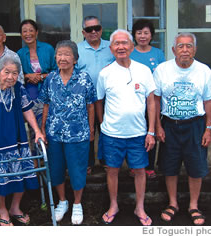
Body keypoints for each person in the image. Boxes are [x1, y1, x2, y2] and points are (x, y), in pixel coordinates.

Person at [153, 32, 211, 226]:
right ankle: (173, 203)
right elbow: (156, 100)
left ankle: (193, 205)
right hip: (170, 125)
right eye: (180, 46)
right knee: (169, 166)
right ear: (174, 50)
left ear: (195, 49)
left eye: (189, 46)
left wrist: (208, 128)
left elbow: (209, 101)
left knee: (196, 167)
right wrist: (158, 125)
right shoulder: (162, 70)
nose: (185, 50)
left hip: (195, 126)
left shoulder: (204, 71)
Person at [0, 56, 45, 226]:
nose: (11, 77)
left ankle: (15, 208)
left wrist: (37, 131)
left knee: (20, 174)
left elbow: (27, 110)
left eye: (15, 73)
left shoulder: (18, 88)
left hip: (17, 139)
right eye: (7, 72)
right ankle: (2, 211)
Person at [96, 29, 156, 226]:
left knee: (140, 171)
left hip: (138, 133)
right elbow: (99, 101)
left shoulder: (144, 71)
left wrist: (151, 131)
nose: (121, 47)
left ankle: (140, 206)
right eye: (116, 43)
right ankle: (113, 205)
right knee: (111, 170)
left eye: (124, 43)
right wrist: (102, 125)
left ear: (131, 46)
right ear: (111, 48)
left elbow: (151, 102)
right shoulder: (105, 73)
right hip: (112, 134)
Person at [39, 40, 97, 225]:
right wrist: (43, 129)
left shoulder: (84, 78)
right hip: (54, 133)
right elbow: (46, 104)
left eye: (67, 54)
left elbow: (91, 106)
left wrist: (91, 130)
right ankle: (62, 202)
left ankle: (77, 204)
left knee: (77, 170)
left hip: (78, 134)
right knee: (56, 170)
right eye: (59, 54)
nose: (62, 58)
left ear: (75, 59)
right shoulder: (50, 79)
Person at [77, 16, 115, 174]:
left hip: (109, 97)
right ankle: (88, 163)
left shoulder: (111, 47)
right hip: (85, 98)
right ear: (83, 32)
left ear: (101, 29)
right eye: (89, 29)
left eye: (96, 28)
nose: (93, 32)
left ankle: (107, 161)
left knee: (106, 129)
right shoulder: (77, 49)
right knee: (87, 130)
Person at [129, 19, 166, 179]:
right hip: (133, 101)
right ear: (134, 35)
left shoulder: (158, 53)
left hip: (153, 101)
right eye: (139, 33)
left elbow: (163, 76)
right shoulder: (129, 52)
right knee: (135, 135)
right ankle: (135, 165)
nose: (142, 36)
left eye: (146, 33)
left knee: (152, 132)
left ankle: (150, 166)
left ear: (151, 35)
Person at [17, 19, 57, 154]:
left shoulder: (48, 49)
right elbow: (17, 74)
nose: (28, 34)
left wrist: (40, 77)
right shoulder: (20, 54)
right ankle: (36, 161)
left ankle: (50, 159)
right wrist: (28, 76)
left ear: (37, 32)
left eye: (30, 30)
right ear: (21, 35)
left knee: (47, 126)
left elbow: (57, 71)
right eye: (24, 31)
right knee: (34, 128)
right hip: (30, 93)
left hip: (48, 92)